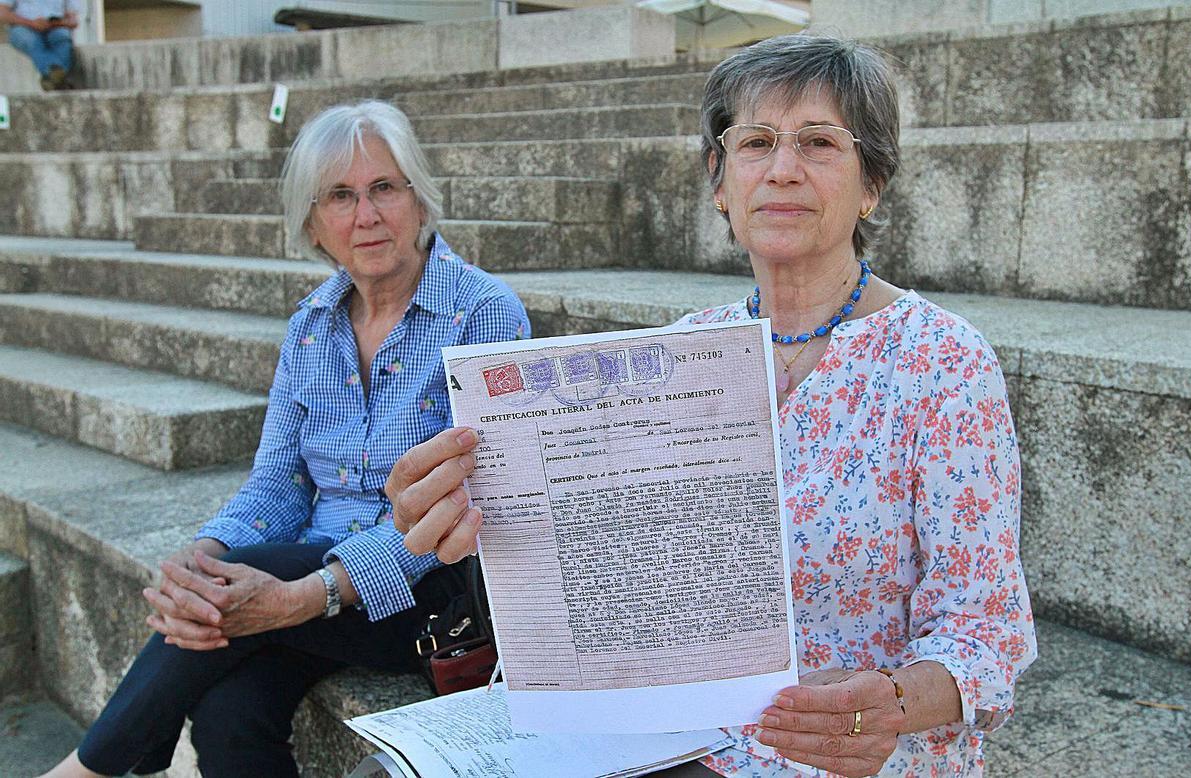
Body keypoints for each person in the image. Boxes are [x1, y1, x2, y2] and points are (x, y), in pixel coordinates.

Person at [386, 34, 1036, 778]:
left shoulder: (942, 363)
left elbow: (986, 634)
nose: (783, 169)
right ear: (720, 182)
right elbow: (607, 557)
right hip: (669, 743)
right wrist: (481, 513)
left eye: (819, 143)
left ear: (871, 185)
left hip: (854, 760)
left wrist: (888, 703)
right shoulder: (679, 357)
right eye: (756, 142)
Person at [40, 100, 530, 778]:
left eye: (385, 188)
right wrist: (202, 554)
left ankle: (90, 767)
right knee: (228, 712)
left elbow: (458, 508)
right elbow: (279, 482)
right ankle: (131, 747)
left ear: (420, 199)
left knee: (254, 573)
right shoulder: (310, 327)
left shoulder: (483, 312)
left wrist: (314, 589)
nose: (367, 215)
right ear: (312, 223)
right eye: (340, 196)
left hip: (426, 589)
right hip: (311, 580)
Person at [0, 0, 81, 91]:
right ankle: (56, 76)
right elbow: (2, 13)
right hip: (23, 26)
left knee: (63, 40)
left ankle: (52, 79)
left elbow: (73, 20)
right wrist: (31, 23)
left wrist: (54, 23)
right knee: (31, 42)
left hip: (55, 26)